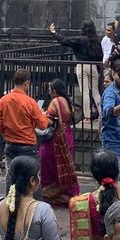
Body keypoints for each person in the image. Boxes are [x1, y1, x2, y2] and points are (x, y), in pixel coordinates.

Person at [0, 68, 49, 189]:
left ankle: (11, 203)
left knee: (11, 176)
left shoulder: (3, 101)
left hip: (10, 144)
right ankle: (33, 205)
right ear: (27, 83)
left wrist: (7, 132)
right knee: (33, 177)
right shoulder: (30, 102)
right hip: (28, 145)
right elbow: (43, 125)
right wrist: (42, 115)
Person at [49, 19, 102, 123]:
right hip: (93, 66)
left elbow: (65, 40)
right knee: (96, 92)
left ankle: (87, 116)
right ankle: (102, 113)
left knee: (85, 92)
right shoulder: (96, 40)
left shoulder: (81, 40)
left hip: (82, 65)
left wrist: (54, 33)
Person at [39, 78, 80, 206]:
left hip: (57, 139)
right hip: (67, 135)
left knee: (48, 162)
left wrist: (41, 115)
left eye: (50, 90)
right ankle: (67, 193)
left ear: (54, 91)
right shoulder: (68, 101)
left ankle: (51, 193)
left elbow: (50, 121)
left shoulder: (55, 101)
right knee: (66, 164)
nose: (49, 93)